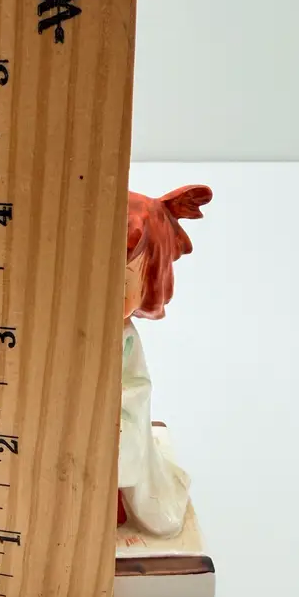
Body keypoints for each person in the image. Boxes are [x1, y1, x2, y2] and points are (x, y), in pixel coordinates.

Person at [118, 185, 212, 536]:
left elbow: (137, 384)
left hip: (113, 417)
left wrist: (113, 404)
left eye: (122, 283)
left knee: (120, 449)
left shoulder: (124, 339)